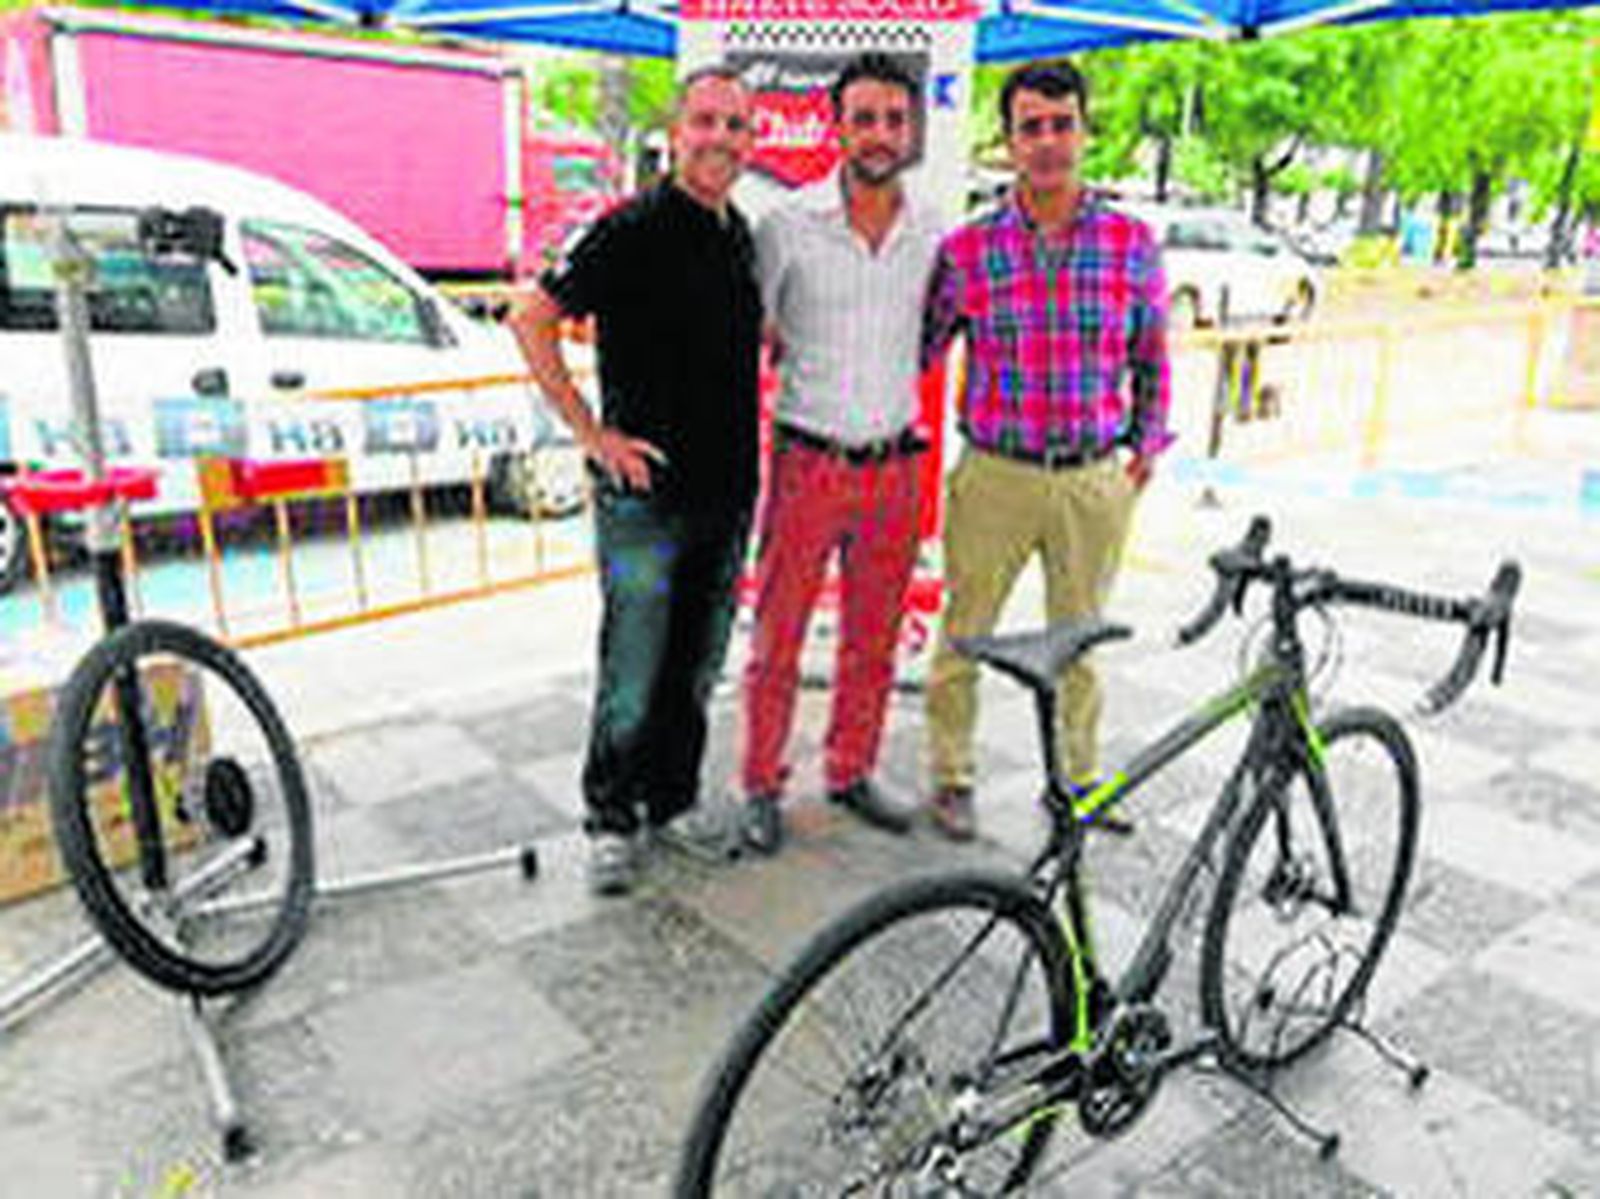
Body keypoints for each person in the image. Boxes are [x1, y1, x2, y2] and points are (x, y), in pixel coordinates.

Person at [509, 67, 762, 894]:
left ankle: (673, 800)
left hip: (726, 497)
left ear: (749, 140)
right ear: (675, 130)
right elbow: (531, 315)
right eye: (706, 122)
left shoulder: (739, 235)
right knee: (633, 669)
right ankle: (611, 817)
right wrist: (591, 433)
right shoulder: (629, 228)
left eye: (735, 125)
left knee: (695, 666)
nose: (720, 138)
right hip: (644, 503)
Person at [921, 58, 1172, 841]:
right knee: (965, 633)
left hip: (1094, 478)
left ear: (1085, 132)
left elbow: (1152, 357)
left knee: (1082, 641)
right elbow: (922, 348)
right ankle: (953, 776)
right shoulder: (967, 250)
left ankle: (1078, 781)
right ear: (1008, 141)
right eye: (1032, 127)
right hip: (994, 474)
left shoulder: (1132, 243)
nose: (1048, 142)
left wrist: (1145, 448)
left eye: (1062, 124)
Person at [740, 53, 944, 855]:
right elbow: (749, 330)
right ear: (837, 125)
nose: (881, 134)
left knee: (875, 635)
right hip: (807, 464)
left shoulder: (933, 231)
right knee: (778, 636)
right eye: (865, 117)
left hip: (895, 467)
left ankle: (851, 767)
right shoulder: (787, 225)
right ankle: (760, 781)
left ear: (913, 128)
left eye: (895, 119)